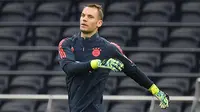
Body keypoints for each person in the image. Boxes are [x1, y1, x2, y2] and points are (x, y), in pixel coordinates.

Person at [58, 4, 169, 112]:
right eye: (83, 15)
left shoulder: (109, 48)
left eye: (90, 17)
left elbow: (133, 70)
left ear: (99, 23)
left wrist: (156, 91)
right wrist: (98, 63)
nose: (84, 19)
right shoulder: (67, 44)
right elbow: (69, 67)